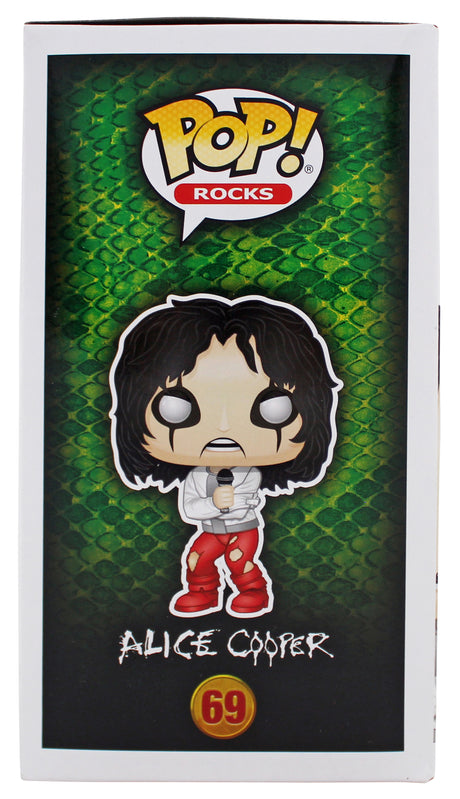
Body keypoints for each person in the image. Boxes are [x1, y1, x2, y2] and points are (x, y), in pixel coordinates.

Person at [109, 293, 342, 617]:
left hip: (244, 529)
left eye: (272, 408)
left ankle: (253, 591)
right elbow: (190, 508)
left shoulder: (250, 474)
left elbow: (243, 502)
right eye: (177, 408)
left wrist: (226, 503)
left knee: (239, 560)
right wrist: (214, 504)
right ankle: (202, 592)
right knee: (197, 559)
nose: (223, 428)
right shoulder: (196, 476)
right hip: (209, 530)